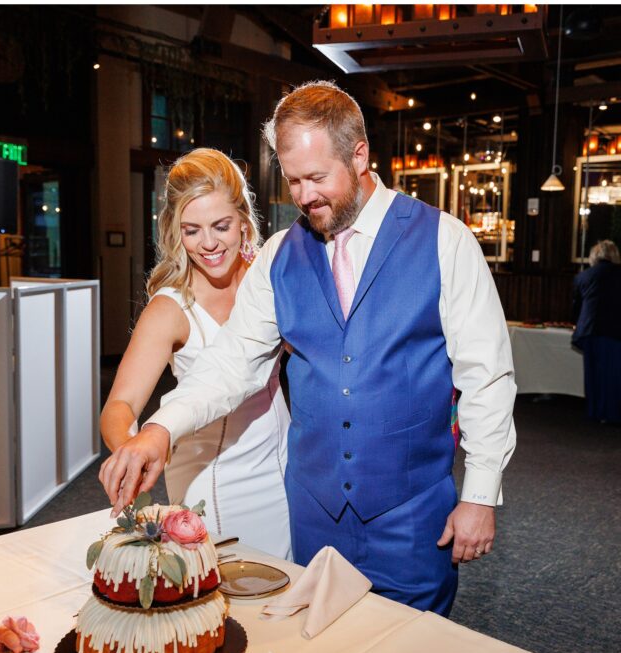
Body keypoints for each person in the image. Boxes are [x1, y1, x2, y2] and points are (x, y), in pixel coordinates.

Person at [100, 81, 517, 617]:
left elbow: (487, 376)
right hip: (312, 515)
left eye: (317, 177)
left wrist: (480, 494)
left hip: (413, 518)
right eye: (293, 180)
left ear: (360, 155)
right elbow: (231, 364)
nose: (303, 196)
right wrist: (160, 428)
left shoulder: (445, 240)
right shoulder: (278, 255)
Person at [98, 148, 291, 560]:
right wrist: (131, 451)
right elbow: (120, 405)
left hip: (286, 469)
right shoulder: (170, 309)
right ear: (175, 231)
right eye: (191, 230)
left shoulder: (269, 278)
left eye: (220, 225)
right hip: (215, 483)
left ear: (243, 220)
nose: (208, 244)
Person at [571, 239, 621, 426]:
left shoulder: (584, 276)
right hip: (612, 329)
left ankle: (595, 411)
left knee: (593, 373)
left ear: (594, 256)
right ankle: (613, 414)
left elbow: (576, 306)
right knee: (612, 373)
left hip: (588, 330)